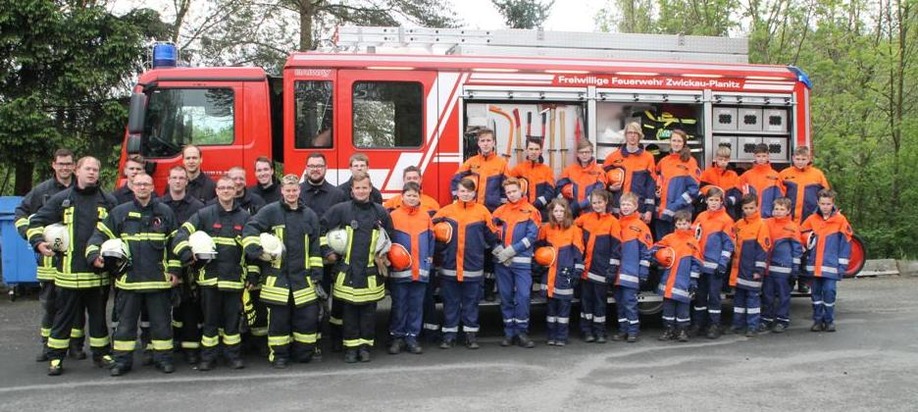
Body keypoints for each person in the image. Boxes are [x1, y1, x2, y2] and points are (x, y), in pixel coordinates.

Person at [28, 156, 117, 376]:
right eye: (88, 168)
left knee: (98, 318)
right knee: (63, 318)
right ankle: (55, 357)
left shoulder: (108, 201)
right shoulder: (62, 199)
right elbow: (36, 221)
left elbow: (119, 229)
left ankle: (101, 353)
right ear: (77, 171)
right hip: (67, 274)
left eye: (96, 169)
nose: (92, 173)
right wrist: (39, 242)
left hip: (97, 273)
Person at [87, 173, 180, 376]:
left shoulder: (165, 212)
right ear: (132, 186)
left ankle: (163, 359)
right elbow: (99, 235)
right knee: (125, 326)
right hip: (129, 282)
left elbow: (175, 244)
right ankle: (122, 362)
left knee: (162, 325)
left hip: (158, 282)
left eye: (146, 184)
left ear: (153, 186)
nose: (142, 187)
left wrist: (174, 270)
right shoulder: (120, 213)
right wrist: (94, 254)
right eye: (138, 184)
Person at [243, 174, 325, 368]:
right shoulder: (270, 211)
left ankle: (303, 352)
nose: (291, 193)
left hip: (303, 280)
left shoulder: (310, 215)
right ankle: (279, 355)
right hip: (276, 279)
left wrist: (316, 274)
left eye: (294, 190)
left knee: (305, 320)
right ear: (282, 191)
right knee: (278, 322)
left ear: (299, 191)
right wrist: (255, 250)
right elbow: (250, 228)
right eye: (287, 190)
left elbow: (314, 248)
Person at [174, 175, 254, 370]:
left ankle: (232, 356)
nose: (226, 191)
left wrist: (252, 274)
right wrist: (186, 254)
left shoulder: (245, 218)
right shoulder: (204, 214)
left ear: (235, 191)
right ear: (216, 191)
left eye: (229, 188)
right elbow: (181, 234)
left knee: (232, 324)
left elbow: (253, 249)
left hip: (235, 281)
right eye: (222, 188)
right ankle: (208, 357)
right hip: (210, 280)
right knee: (210, 323)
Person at [321, 171, 393, 363]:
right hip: (347, 273)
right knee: (350, 314)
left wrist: (384, 255)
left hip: (371, 274)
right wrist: (328, 251)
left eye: (365, 187)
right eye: (357, 188)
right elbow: (321, 230)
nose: (361, 191)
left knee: (369, 314)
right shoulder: (341, 210)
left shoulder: (380, 212)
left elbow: (390, 237)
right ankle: (351, 349)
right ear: (351, 190)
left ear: (370, 189)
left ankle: (365, 348)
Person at [15, 148, 77, 361]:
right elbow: (22, 214)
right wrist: (34, 239)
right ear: (54, 165)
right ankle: (48, 346)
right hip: (49, 259)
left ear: (74, 165)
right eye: (61, 164)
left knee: (74, 305)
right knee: (51, 304)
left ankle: (75, 346)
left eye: (68, 163)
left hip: (75, 259)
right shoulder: (42, 191)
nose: (65, 167)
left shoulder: (83, 188)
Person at [433, 177, 499, 350]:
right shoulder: (445, 212)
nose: (466, 194)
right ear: (457, 192)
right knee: (450, 303)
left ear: (474, 193)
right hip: (450, 266)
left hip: (472, 267)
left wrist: (499, 251)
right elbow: (431, 234)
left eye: (469, 192)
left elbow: (492, 236)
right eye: (462, 191)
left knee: (471, 302)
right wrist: (440, 248)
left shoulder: (483, 211)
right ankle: (449, 336)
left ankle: (470, 336)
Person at [298, 153, 348, 356]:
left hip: (330, 258)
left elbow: (343, 226)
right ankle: (314, 341)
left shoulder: (337, 195)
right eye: (311, 166)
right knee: (310, 302)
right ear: (306, 168)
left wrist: (331, 251)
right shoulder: (297, 192)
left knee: (337, 300)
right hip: (304, 257)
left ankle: (336, 338)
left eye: (319, 166)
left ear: (326, 168)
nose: (315, 169)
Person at [159, 165, 206, 365]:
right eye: (174, 177)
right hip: (163, 264)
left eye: (181, 178)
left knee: (189, 307)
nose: (178, 181)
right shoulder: (159, 206)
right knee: (161, 308)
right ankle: (167, 345)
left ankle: (190, 349)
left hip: (189, 266)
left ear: (187, 182)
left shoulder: (197, 208)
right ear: (168, 180)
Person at [387, 182, 435, 355]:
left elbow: (431, 241)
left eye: (415, 195)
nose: (412, 198)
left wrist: (428, 262)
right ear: (402, 196)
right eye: (408, 195)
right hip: (400, 272)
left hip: (420, 271)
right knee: (399, 305)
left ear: (419, 197)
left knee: (416, 306)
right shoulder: (393, 216)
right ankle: (397, 338)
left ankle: (412, 338)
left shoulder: (425, 217)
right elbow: (387, 242)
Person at [491, 178, 540, 349]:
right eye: (508, 192)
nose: (511, 195)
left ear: (521, 191)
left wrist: (512, 250)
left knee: (523, 297)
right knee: (505, 297)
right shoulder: (499, 211)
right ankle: (509, 333)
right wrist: (498, 250)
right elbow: (490, 234)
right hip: (502, 263)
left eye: (514, 191)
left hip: (522, 263)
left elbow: (532, 237)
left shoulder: (531, 211)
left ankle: (522, 332)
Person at [800, 189, 853, 333]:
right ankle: (817, 321)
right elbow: (800, 235)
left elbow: (846, 244)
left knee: (829, 292)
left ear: (833, 204)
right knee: (815, 295)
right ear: (818, 203)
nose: (825, 206)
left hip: (831, 266)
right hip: (814, 266)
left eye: (828, 204)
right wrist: (808, 238)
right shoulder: (811, 219)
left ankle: (829, 321)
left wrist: (842, 267)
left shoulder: (840, 220)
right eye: (822, 203)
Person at [779, 145, 830, 294]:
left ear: (809, 159)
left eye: (803, 159)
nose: (800, 162)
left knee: (807, 253)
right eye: (798, 159)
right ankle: (788, 282)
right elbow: (779, 198)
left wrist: (827, 215)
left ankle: (804, 282)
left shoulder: (817, 175)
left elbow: (826, 197)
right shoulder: (784, 174)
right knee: (788, 252)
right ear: (793, 158)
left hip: (809, 220)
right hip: (789, 221)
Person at [574, 189, 621, 343]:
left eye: (600, 202)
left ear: (606, 202)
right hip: (586, 269)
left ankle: (600, 331)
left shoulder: (613, 222)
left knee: (600, 302)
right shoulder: (584, 218)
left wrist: (612, 269)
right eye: (594, 202)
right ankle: (586, 330)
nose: (597, 205)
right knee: (585, 301)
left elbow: (616, 248)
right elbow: (572, 231)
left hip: (601, 269)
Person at [537, 198, 584, 346]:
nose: (558, 214)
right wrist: (538, 266)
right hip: (549, 274)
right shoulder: (546, 229)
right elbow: (539, 250)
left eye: (561, 211)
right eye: (555, 211)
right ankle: (551, 336)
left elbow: (578, 253)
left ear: (567, 212)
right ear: (551, 212)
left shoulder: (574, 230)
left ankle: (562, 337)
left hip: (565, 273)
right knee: (551, 309)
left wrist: (577, 272)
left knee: (564, 308)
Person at [691, 186, 735, 339]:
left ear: (722, 201)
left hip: (715, 267)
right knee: (700, 297)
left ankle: (714, 325)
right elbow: (693, 238)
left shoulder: (726, 220)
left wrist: (722, 263)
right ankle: (698, 324)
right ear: (706, 201)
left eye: (717, 200)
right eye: (711, 200)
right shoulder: (700, 217)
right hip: (700, 265)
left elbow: (729, 245)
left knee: (714, 297)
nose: (714, 203)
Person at [652, 210, 702, 342]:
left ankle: (682, 331)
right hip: (669, 280)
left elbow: (697, 263)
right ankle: (668, 330)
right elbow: (656, 247)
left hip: (684, 282)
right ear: (675, 224)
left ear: (689, 224)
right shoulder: (669, 238)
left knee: (683, 309)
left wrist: (693, 280)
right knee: (668, 307)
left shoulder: (693, 242)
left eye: (685, 223)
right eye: (679, 223)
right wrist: (655, 256)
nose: (682, 226)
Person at [730, 193, 772, 337]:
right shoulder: (739, 224)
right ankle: (738, 324)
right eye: (746, 208)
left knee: (753, 298)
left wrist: (758, 270)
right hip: (739, 268)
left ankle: (752, 326)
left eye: (751, 208)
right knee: (739, 298)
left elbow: (763, 249)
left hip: (752, 269)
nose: (748, 210)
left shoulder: (761, 225)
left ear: (757, 207)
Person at [613, 192, 653, 343]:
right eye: (623, 204)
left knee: (630, 303)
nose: (625, 207)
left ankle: (633, 331)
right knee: (620, 304)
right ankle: (623, 330)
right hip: (617, 273)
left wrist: (643, 270)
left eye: (629, 204)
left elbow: (647, 251)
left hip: (631, 272)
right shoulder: (616, 223)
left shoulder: (641, 226)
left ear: (636, 206)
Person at [762, 197, 804, 333]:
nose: (778, 212)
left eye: (781, 209)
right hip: (768, 267)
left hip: (784, 267)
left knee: (783, 295)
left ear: (788, 211)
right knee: (767, 294)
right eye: (776, 209)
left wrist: (795, 269)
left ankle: (782, 320)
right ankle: (766, 319)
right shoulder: (766, 223)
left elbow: (797, 250)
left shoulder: (792, 227)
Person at [604, 122, 656, 222]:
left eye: (635, 133)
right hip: (617, 209)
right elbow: (602, 180)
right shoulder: (613, 157)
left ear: (640, 136)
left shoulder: (648, 158)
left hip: (638, 209)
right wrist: (609, 187)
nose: (632, 136)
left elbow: (651, 186)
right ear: (625, 135)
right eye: (630, 133)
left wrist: (649, 210)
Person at [654, 129, 700, 239]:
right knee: (663, 248)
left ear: (684, 143)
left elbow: (693, 191)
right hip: (662, 214)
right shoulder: (663, 161)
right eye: (674, 140)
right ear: (670, 142)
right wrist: (656, 193)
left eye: (679, 141)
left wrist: (675, 206)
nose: (676, 143)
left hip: (680, 215)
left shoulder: (690, 162)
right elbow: (657, 181)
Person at [451, 128, 509, 212]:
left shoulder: (501, 163)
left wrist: (503, 207)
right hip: (473, 208)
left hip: (493, 210)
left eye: (488, 140)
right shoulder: (471, 161)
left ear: (494, 143)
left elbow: (506, 186)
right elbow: (456, 178)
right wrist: (457, 197)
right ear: (478, 143)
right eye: (482, 141)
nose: (485, 144)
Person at [557, 139, 608, 216]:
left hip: (591, 214)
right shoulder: (569, 170)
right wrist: (566, 205)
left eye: (587, 152)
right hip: (572, 214)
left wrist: (579, 205)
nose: (584, 154)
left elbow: (598, 194)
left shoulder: (599, 172)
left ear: (592, 153)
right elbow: (558, 190)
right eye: (581, 152)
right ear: (577, 154)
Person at [509, 137, 555, 220]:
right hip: (521, 212)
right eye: (531, 149)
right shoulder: (517, 169)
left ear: (541, 151)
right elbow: (509, 189)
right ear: (527, 150)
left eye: (536, 149)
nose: (533, 152)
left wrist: (538, 203)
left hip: (541, 212)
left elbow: (550, 193)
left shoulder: (547, 170)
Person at [739, 143, 784, 218]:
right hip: (750, 217)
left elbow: (779, 198)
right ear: (754, 156)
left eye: (764, 156)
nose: (761, 158)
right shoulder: (746, 175)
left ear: (768, 156)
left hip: (768, 218)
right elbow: (743, 197)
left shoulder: (776, 176)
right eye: (758, 156)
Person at [699, 146, 742, 220]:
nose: (722, 162)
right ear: (716, 158)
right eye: (720, 159)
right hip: (709, 212)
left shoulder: (733, 175)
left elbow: (738, 195)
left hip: (728, 212)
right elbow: (701, 191)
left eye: (725, 160)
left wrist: (727, 201)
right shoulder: (707, 173)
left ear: (729, 160)